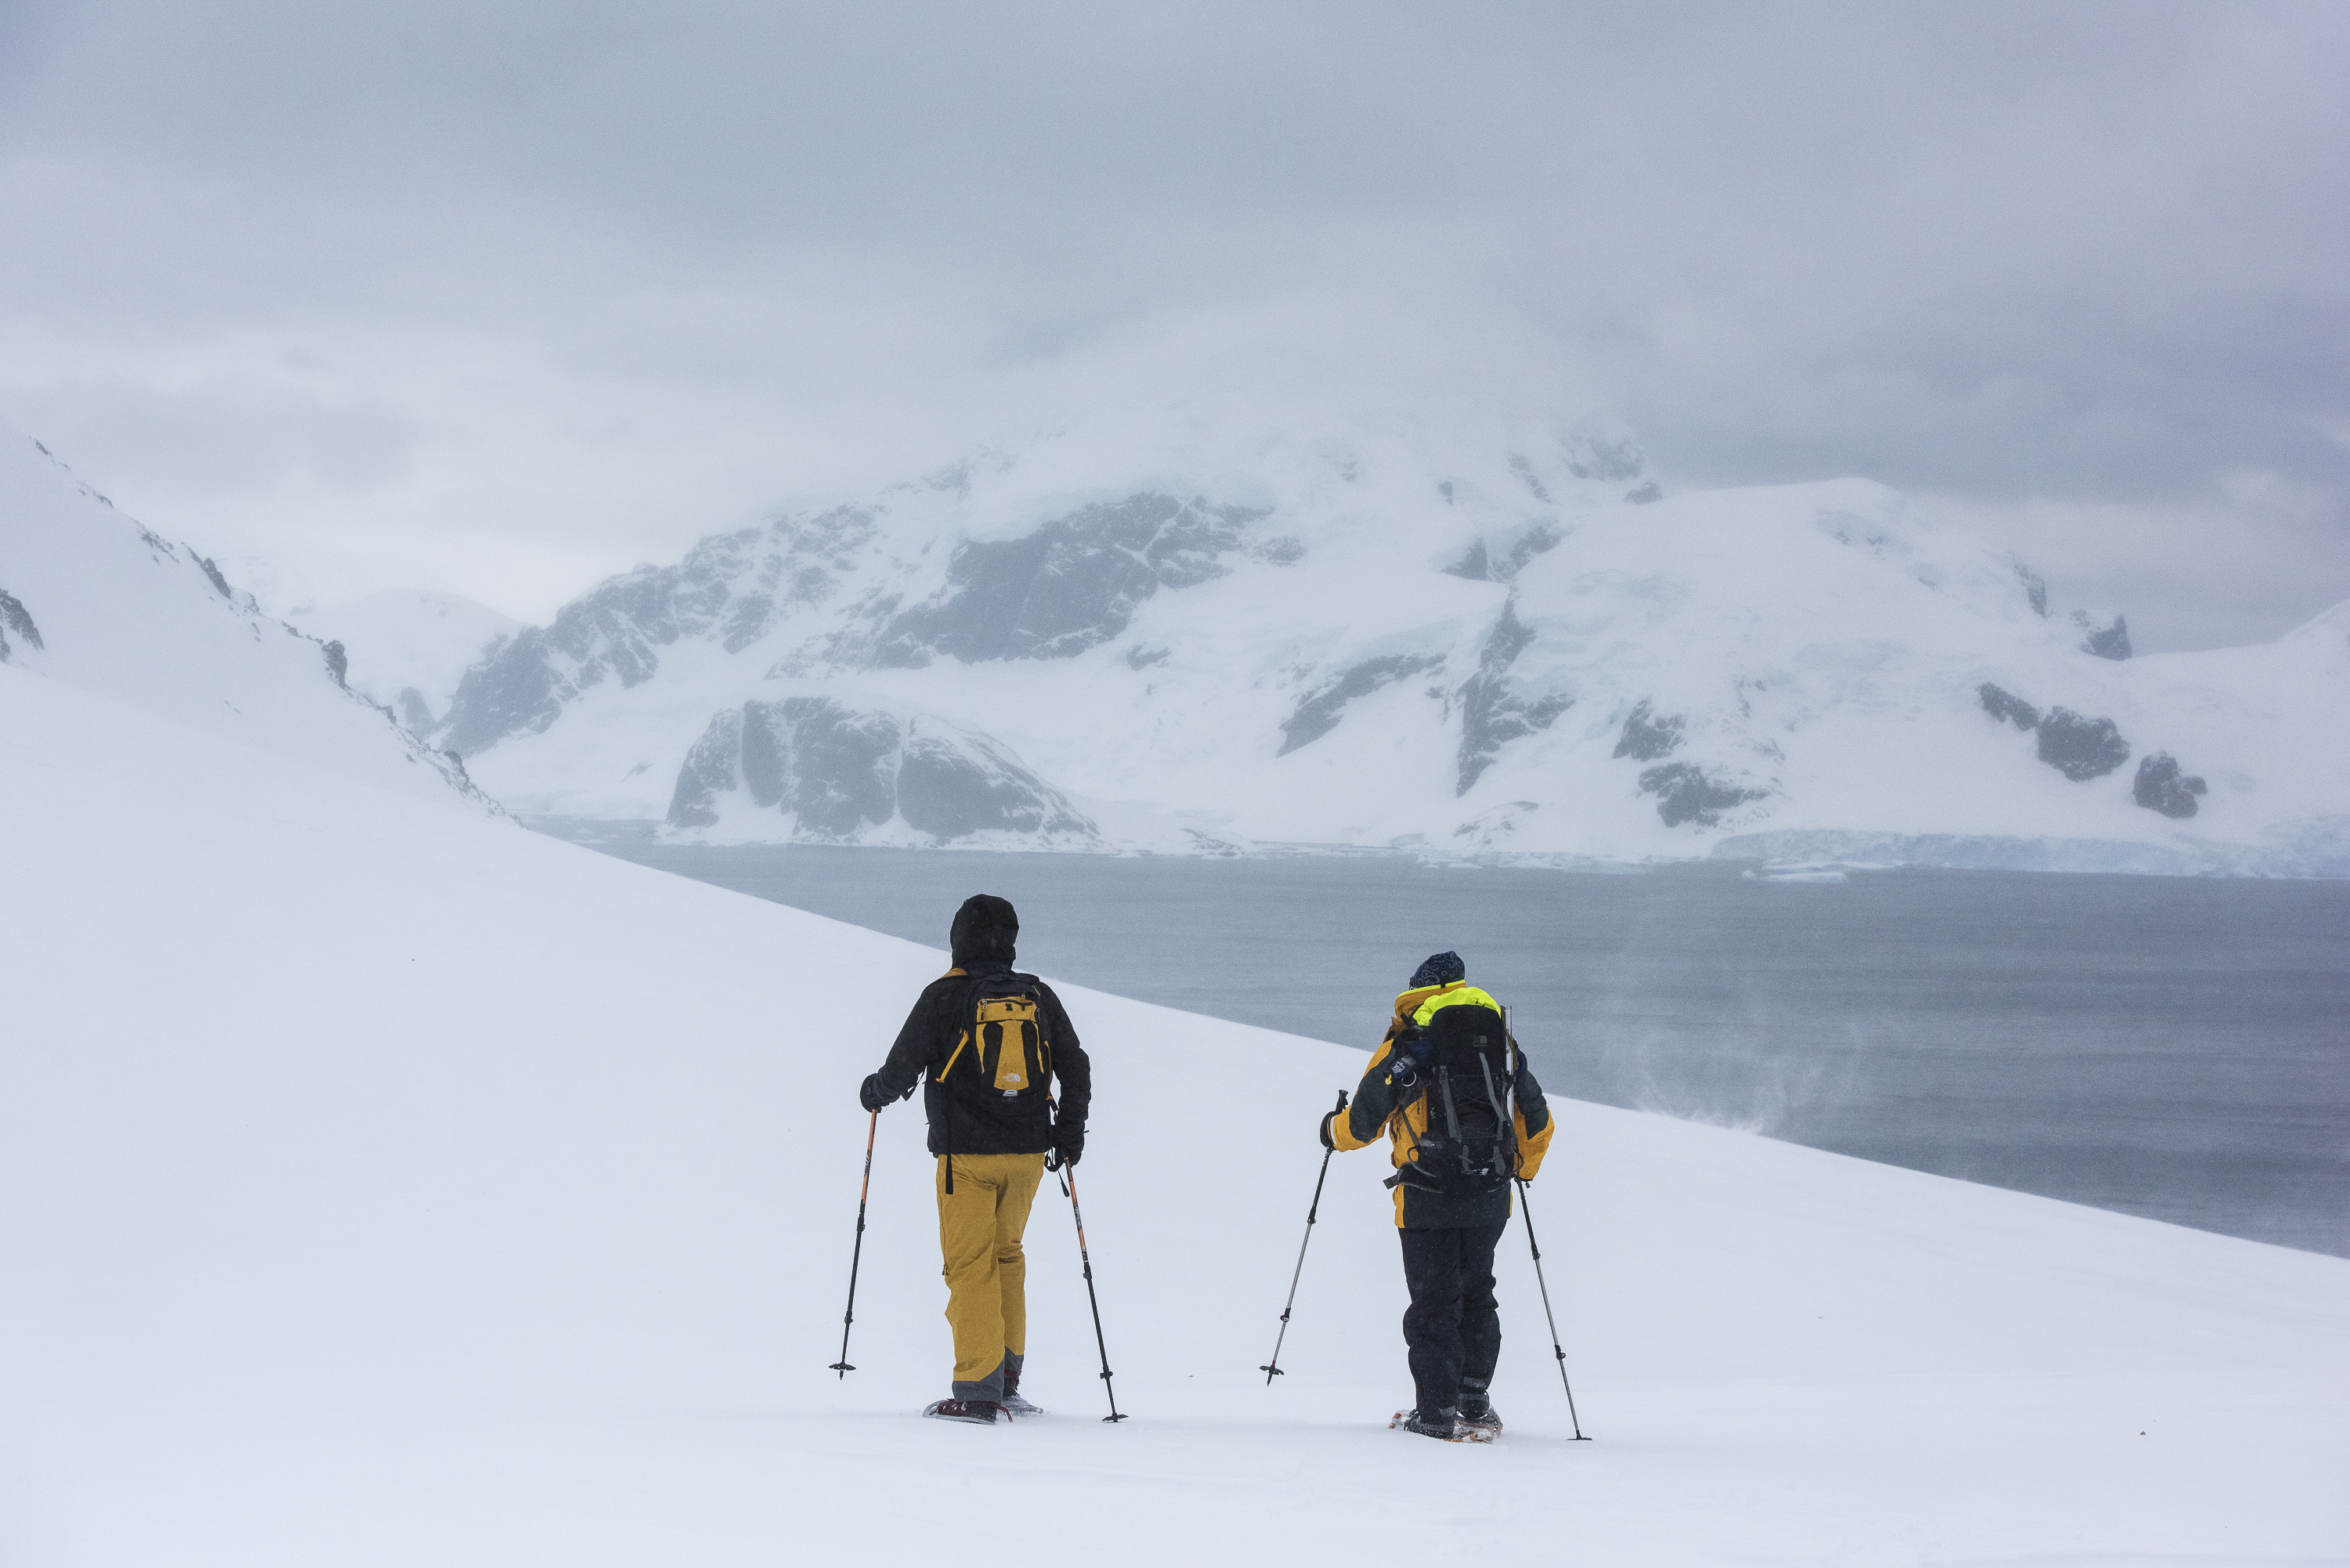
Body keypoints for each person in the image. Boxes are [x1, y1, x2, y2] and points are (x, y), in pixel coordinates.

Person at [860, 894, 1090, 1425]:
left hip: (964, 1158)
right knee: (1007, 1255)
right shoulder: (1037, 996)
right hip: (1029, 1155)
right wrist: (1069, 1134)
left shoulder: (943, 996)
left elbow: (900, 1068)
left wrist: (874, 1092)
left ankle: (976, 1391)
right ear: (1010, 941)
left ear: (957, 938)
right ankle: (1007, 1382)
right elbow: (1075, 1066)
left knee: (970, 1267)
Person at [1321, 950, 1553, 1441]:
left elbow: (1363, 1122)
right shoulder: (1499, 1043)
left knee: (1433, 1303)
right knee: (1477, 1294)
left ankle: (1435, 1414)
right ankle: (1473, 1400)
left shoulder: (1408, 1041)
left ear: (1419, 990)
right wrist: (1520, 1170)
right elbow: (1537, 1120)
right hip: (1490, 1193)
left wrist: (1331, 1132)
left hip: (1427, 1195)